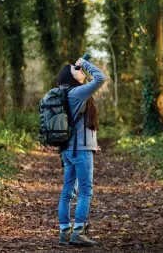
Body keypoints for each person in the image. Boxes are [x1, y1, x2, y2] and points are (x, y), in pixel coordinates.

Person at [57, 58, 106, 246]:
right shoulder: (77, 92)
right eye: (75, 69)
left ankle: (64, 232)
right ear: (71, 77)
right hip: (79, 151)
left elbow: (78, 125)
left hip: (68, 150)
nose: (80, 70)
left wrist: (92, 144)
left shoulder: (65, 93)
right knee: (85, 191)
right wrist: (85, 63)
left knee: (67, 192)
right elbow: (101, 78)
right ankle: (78, 231)